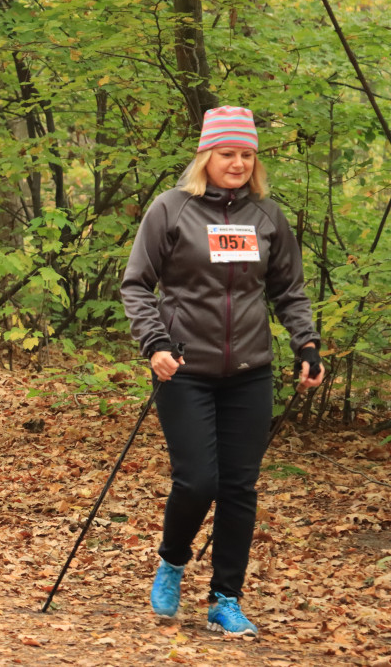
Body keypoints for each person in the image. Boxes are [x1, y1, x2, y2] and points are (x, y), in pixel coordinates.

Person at [120, 105, 324, 637]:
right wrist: (155, 344)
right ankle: (172, 560)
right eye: (227, 153)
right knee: (198, 480)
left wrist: (306, 343)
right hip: (184, 367)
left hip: (251, 370)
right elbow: (137, 285)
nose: (237, 163)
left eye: (246, 155)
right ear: (206, 156)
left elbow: (288, 289)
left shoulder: (267, 216)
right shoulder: (171, 210)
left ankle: (225, 598)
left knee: (239, 487)